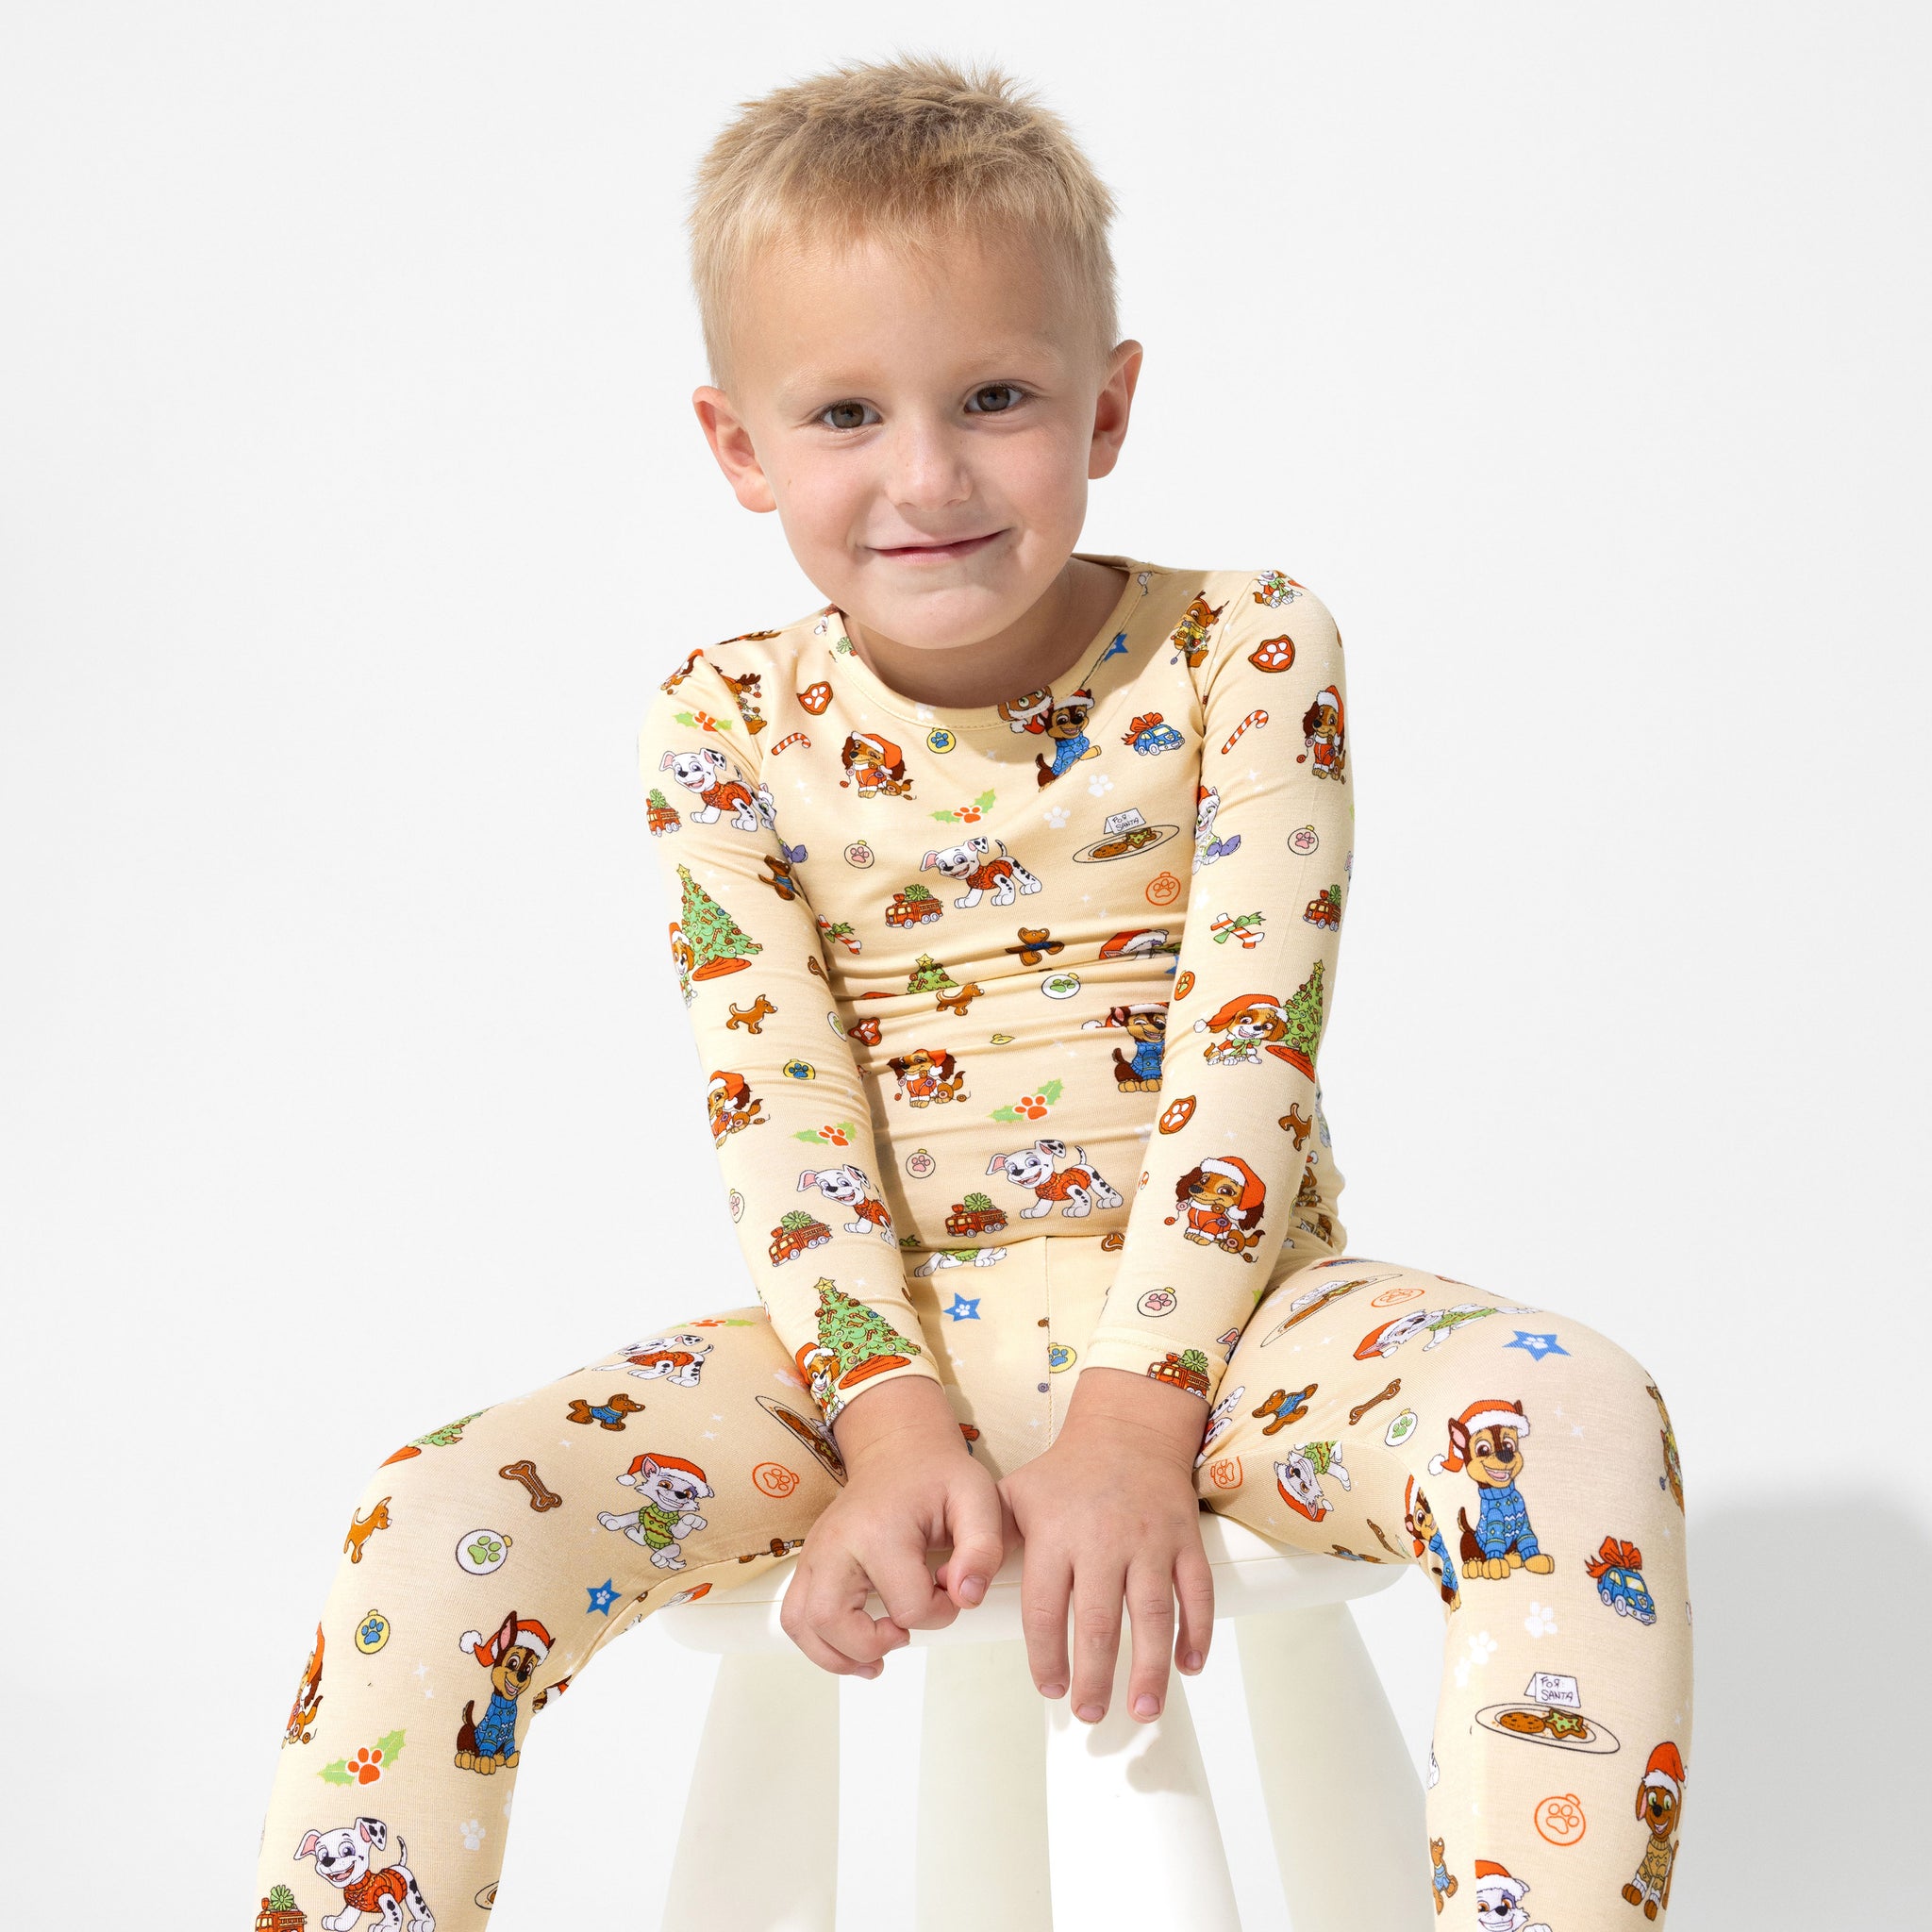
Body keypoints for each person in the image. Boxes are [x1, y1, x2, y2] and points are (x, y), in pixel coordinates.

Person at [250, 53, 1692, 1930]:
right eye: (846, 412)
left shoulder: (1247, 646)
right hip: (863, 1357)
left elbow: (1249, 1046)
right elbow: (778, 1107)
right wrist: (887, 1419)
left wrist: (1137, 1421)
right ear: (740, 448)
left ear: (1109, 406)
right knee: (436, 1513)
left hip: (1236, 1339)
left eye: (995, 398)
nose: (924, 476)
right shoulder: (723, 720)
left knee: (1573, 1415)